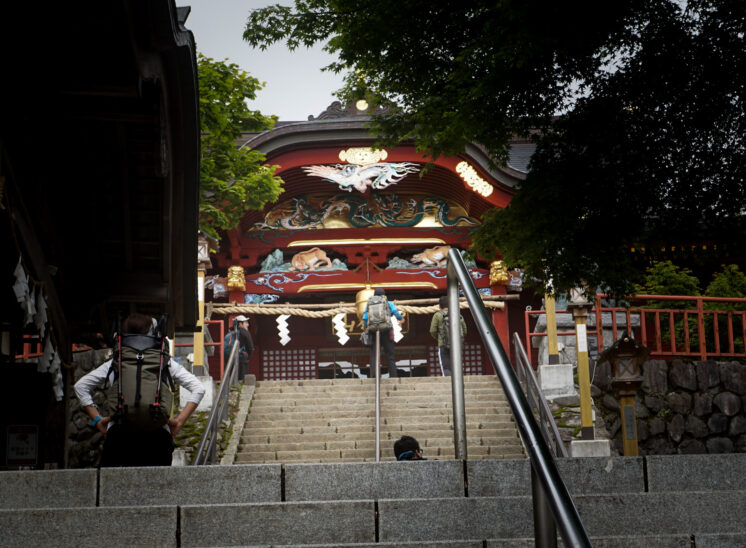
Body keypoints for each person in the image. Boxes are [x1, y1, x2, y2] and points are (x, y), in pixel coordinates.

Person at [74, 312, 205, 467]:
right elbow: (198, 388)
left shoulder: (117, 362)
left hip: (119, 436)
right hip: (157, 437)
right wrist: (178, 422)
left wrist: (97, 420)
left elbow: (80, 386)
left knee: (113, 488)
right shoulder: (163, 362)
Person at [363, 288, 403, 378]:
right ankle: (393, 375)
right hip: (386, 330)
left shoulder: (369, 303)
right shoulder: (388, 303)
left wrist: (367, 327)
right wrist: (400, 318)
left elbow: (365, 318)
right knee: (390, 354)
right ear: (384, 295)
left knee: (374, 354)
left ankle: (374, 375)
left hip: (373, 331)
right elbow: (397, 314)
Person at [429, 296, 467, 376]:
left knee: (446, 367)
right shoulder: (458, 314)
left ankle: (449, 385)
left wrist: (439, 338)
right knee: (457, 366)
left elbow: (432, 330)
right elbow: (464, 330)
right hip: (457, 345)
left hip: (443, 344)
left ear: (439, 306)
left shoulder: (437, 315)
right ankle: (458, 385)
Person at [224, 314, 254, 381]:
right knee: (242, 379)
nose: (248, 325)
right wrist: (248, 357)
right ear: (240, 324)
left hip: (229, 360)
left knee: (232, 378)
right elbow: (250, 347)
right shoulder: (244, 332)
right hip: (241, 359)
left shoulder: (229, 334)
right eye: (246, 322)